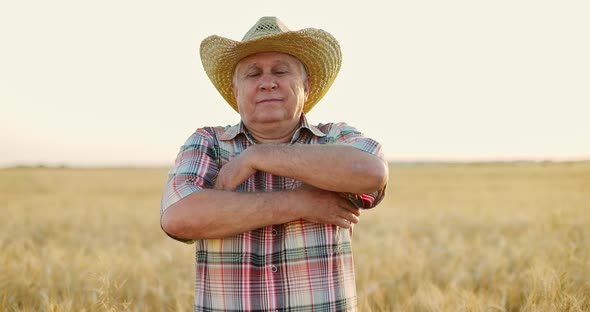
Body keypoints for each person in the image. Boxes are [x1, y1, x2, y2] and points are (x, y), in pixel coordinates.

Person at [160, 16, 388, 311]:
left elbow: (371, 173)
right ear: (237, 89)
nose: (267, 82)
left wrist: (258, 156)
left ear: (305, 85)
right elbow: (178, 218)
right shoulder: (209, 143)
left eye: (280, 71)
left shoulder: (334, 137)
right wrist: (299, 204)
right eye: (253, 75)